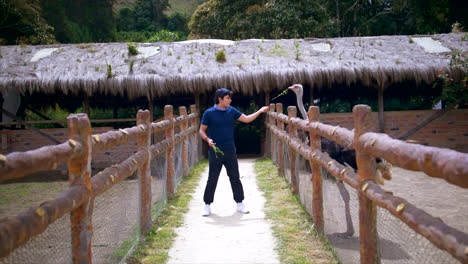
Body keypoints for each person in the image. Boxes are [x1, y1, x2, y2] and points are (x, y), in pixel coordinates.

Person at [199, 88, 269, 216]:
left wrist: (260, 111)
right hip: (215, 151)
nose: (230, 100)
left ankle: (239, 203)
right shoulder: (209, 113)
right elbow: (201, 131)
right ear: (220, 99)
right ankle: (207, 205)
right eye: (228, 98)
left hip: (230, 150)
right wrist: (207, 139)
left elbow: (247, 119)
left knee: (235, 177)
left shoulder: (231, 111)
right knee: (212, 178)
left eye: (230, 98)